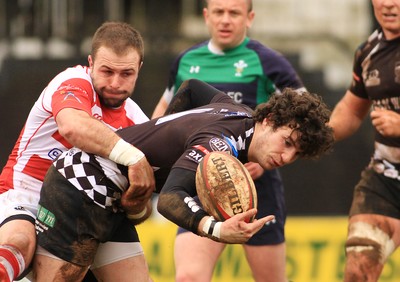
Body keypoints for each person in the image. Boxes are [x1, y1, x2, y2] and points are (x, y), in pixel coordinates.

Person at [34, 79, 334, 281]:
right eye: (287, 142)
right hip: (82, 182)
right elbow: (169, 198)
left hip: (114, 200)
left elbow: (191, 88)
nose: (286, 157)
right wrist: (215, 228)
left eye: (297, 153)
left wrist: (162, 135)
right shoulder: (222, 142)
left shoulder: (237, 112)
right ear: (269, 121)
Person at [152, 0, 305, 281]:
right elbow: (161, 115)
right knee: (189, 277)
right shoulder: (187, 61)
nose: (225, 20)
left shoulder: (268, 62)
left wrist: (267, 164)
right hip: (201, 183)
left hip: (257, 186)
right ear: (206, 16)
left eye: (234, 13)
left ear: (250, 18)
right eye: (219, 12)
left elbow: (307, 123)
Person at [0, 21, 155, 282]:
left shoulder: (138, 121)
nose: (115, 83)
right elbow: (73, 127)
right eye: (107, 71)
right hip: (27, 194)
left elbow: (143, 211)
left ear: (139, 68)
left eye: (126, 74)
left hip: (94, 209)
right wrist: (134, 157)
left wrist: (137, 204)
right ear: (91, 62)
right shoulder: (73, 80)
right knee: (18, 242)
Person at [328, 0, 400, 281]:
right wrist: (310, 137)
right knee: (359, 269)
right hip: (385, 180)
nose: (388, 3)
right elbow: (350, 111)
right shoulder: (368, 51)